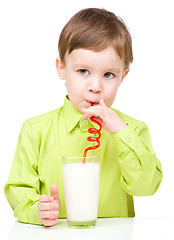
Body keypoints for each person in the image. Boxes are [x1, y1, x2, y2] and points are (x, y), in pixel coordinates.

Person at [4, 8, 162, 227]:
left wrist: (121, 133)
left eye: (108, 75)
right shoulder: (35, 129)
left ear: (122, 76)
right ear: (62, 68)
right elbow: (18, 188)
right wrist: (35, 210)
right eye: (83, 71)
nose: (95, 87)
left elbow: (145, 187)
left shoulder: (133, 130)